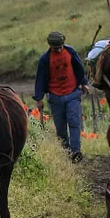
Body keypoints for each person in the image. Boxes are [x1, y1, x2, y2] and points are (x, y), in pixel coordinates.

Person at [34, 31, 90, 162]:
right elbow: (40, 79)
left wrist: (83, 83)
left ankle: (76, 151)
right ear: (50, 47)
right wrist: (39, 98)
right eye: (55, 48)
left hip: (72, 93)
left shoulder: (70, 51)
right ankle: (66, 151)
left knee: (74, 122)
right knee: (60, 128)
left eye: (60, 47)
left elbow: (79, 67)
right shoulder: (45, 59)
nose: (59, 50)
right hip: (55, 96)